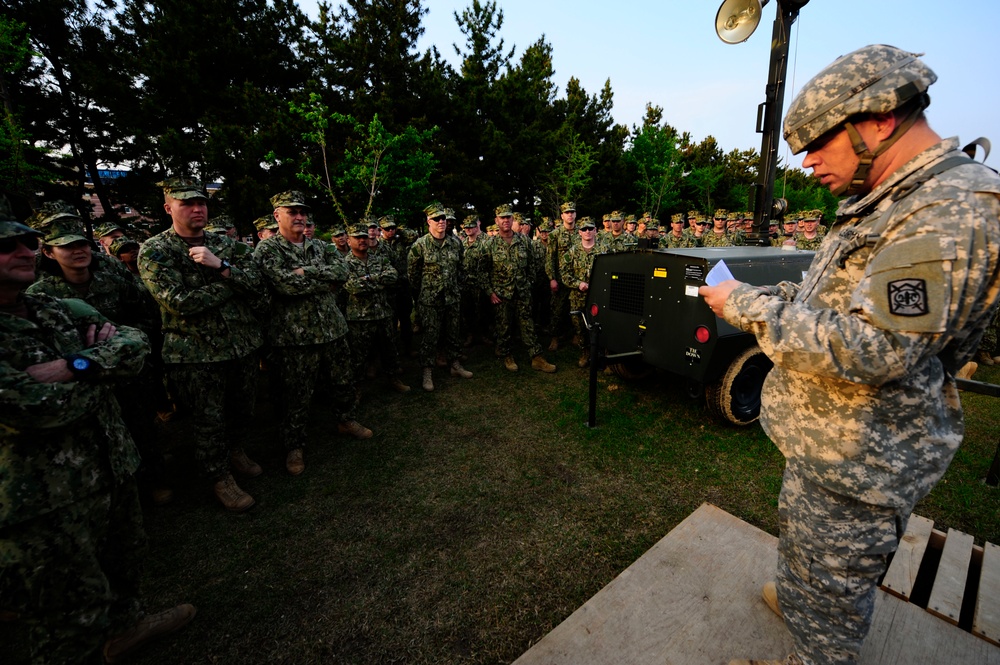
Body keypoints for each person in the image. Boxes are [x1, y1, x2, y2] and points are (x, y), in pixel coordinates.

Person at [699, 45, 1000, 665]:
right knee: (808, 554)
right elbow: (834, 296)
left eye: (817, 144)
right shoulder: (893, 197)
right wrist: (761, 294)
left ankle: (816, 644)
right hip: (827, 441)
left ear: (878, 121)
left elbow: (874, 347)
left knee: (834, 592)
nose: (808, 163)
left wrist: (747, 308)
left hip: (863, 455)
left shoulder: (949, 208)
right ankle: (800, 596)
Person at [0, 209, 195, 664]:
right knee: (67, 609)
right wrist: (102, 367)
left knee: (126, 557)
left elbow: (133, 343)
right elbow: (30, 408)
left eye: (28, 242)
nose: (24, 252)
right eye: (7, 247)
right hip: (42, 497)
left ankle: (127, 627)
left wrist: (75, 366)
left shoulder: (51, 306)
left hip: (109, 462)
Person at [26, 204, 171, 506]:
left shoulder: (112, 275)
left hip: (129, 370)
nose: (78, 251)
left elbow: (144, 311)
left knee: (142, 426)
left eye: (81, 244)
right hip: (82, 379)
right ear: (50, 253)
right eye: (66, 247)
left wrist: (126, 344)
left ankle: (155, 479)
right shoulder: (41, 294)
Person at [139, 177, 267, 512]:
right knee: (208, 420)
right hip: (196, 354)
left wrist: (221, 267)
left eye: (201, 203)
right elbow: (180, 303)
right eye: (186, 204)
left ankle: (235, 450)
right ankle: (219, 476)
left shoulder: (226, 245)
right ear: (169, 208)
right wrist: (230, 284)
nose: (197, 209)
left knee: (243, 408)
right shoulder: (155, 250)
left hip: (241, 345)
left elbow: (258, 286)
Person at [254, 192, 372, 475]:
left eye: (302, 212)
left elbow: (342, 274)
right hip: (296, 337)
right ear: (277, 216)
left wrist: (302, 272)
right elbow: (283, 286)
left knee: (343, 381)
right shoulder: (268, 251)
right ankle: (294, 445)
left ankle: (345, 419)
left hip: (332, 328)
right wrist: (320, 277)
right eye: (292, 212)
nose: (299, 217)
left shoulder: (321, 246)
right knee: (296, 393)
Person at [483, 204, 556, 373]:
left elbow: (532, 265)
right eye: (502, 218)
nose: (506, 220)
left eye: (508, 217)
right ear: (497, 220)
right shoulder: (490, 245)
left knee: (527, 324)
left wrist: (528, 284)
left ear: (513, 219)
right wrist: (490, 292)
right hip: (501, 294)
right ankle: (506, 355)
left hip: (522, 292)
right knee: (504, 326)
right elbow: (483, 270)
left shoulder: (524, 241)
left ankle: (536, 357)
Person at [342, 221, 412, 394]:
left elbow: (392, 276)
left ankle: (393, 379)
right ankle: (356, 389)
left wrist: (366, 279)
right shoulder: (344, 264)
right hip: (359, 318)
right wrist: (378, 280)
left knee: (390, 351)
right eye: (357, 237)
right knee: (359, 357)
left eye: (364, 237)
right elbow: (353, 287)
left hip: (383, 313)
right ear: (349, 240)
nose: (362, 240)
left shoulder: (379, 259)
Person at [408, 201, 469, 391]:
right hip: (429, 300)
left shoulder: (455, 243)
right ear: (429, 221)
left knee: (453, 333)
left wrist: (456, 288)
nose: (441, 222)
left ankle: (455, 365)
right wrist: (423, 293)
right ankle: (427, 372)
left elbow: (461, 269)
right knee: (430, 337)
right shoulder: (420, 245)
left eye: (443, 218)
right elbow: (413, 274)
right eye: (437, 219)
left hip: (452, 297)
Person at [559, 216, 607, 367]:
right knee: (580, 326)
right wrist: (578, 284)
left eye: (590, 228)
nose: (587, 232)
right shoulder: (572, 252)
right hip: (577, 296)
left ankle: (601, 355)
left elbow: (611, 272)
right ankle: (585, 352)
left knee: (600, 325)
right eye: (584, 229)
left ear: (595, 231)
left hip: (599, 296)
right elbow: (564, 274)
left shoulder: (604, 251)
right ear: (579, 232)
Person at [545, 201, 578, 351]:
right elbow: (550, 258)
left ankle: (577, 335)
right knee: (557, 310)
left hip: (578, 278)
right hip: (560, 278)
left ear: (575, 214)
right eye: (567, 212)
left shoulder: (582, 232)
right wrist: (552, 278)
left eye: (572, 212)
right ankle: (555, 337)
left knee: (578, 308)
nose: (570, 215)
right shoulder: (555, 235)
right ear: (562, 215)